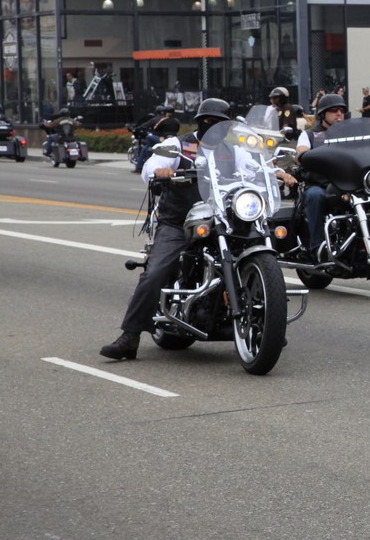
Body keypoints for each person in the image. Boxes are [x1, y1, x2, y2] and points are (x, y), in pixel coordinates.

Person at [99, 98, 296, 360]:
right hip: (180, 220)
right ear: (199, 122)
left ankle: (270, 324)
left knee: (258, 243)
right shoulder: (178, 145)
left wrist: (274, 172)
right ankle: (130, 336)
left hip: (224, 218)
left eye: (218, 123)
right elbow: (150, 166)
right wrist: (160, 171)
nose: (212, 126)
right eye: (207, 121)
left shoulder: (234, 150)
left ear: (227, 126)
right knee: (156, 271)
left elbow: (253, 167)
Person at [296, 93, 349, 259]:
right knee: (315, 196)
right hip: (319, 185)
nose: (339, 113)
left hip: (346, 184)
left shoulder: (350, 134)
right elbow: (301, 153)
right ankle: (317, 247)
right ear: (323, 114)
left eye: (342, 110)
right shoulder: (310, 134)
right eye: (334, 110)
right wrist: (306, 155)